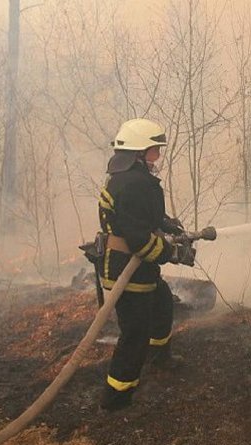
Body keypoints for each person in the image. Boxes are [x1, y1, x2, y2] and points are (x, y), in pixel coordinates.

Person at [97, 118, 195, 411]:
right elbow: (140, 238)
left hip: (135, 266)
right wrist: (171, 253)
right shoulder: (135, 184)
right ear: (139, 152)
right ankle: (117, 397)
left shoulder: (129, 179)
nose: (158, 155)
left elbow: (141, 218)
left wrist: (170, 226)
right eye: (154, 149)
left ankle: (159, 358)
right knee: (135, 334)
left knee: (162, 303)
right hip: (126, 269)